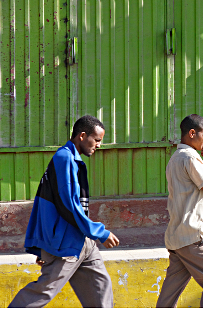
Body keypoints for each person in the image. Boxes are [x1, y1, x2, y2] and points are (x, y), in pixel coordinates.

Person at [9, 115, 120, 308]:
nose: (99, 146)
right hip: (66, 243)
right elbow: (67, 205)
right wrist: (100, 232)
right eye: (97, 140)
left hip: (83, 240)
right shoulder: (64, 158)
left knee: (101, 289)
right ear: (83, 136)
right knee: (43, 292)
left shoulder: (74, 160)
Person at [157, 114, 203, 308]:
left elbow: (187, 198)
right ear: (192, 133)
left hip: (178, 238)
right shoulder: (190, 158)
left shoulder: (175, 158)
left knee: (169, 294)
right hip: (194, 238)